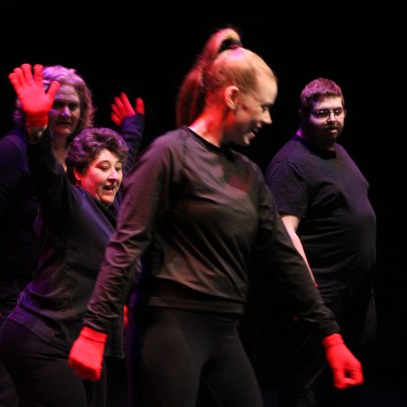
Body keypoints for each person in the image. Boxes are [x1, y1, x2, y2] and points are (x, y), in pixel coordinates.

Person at [67, 28, 363, 407]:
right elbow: (126, 246)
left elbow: (283, 255)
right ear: (233, 97)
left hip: (224, 330)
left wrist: (330, 335)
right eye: (264, 105)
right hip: (168, 328)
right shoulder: (169, 154)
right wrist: (94, 331)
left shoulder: (248, 173)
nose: (268, 119)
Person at [0, 63, 143, 406]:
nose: (114, 175)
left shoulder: (111, 205)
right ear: (78, 172)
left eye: (73, 105)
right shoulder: (56, 188)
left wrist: (132, 129)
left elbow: (121, 165)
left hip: (73, 323)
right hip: (36, 320)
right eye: (57, 103)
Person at [265, 78, 376, 407]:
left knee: (345, 386)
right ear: (302, 115)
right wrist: (306, 288)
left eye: (338, 111)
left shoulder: (337, 151)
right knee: (306, 389)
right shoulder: (291, 163)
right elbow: (285, 232)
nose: (332, 119)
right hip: (320, 299)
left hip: (356, 295)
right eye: (322, 113)